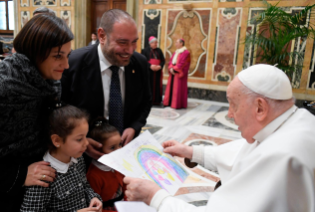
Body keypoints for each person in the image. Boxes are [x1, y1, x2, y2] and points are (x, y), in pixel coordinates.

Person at [124, 64, 315, 211]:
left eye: (233, 105)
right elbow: (244, 153)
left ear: (260, 108)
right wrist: (191, 151)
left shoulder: (281, 156)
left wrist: (155, 197)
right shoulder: (295, 121)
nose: (230, 114)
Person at [0, 14, 73, 211]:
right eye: (58, 56)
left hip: (39, 190)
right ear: (35, 52)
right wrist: (19, 175)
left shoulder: (48, 83)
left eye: (67, 55)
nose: (66, 65)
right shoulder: (2, 90)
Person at [61, 9, 152, 162]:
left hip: (125, 150)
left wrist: (134, 126)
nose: (130, 50)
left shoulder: (140, 63)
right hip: (83, 157)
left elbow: (145, 101)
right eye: (122, 42)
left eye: (134, 42)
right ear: (102, 36)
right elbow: (60, 111)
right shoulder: (73, 63)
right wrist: (81, 141)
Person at [21, 105, 102, 212]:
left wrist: (93, 197)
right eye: (79, 139)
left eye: (86, 136)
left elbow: (84, 185)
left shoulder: (78, 158)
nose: (86, 143)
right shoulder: (43, 176)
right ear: (57, 141)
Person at [86, 117, 126, 211]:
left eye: (120, 144)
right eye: (112, 148)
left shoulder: (118, 164)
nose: (119, 150)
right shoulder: (94, 176)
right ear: (97, 149)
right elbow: (96, 206)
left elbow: (125, 187)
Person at [163, 38, 190, 109]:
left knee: (177, 89)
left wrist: (174, 69)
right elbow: (171, 60)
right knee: (171, 88)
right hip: (173, 72)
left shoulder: (186, 52)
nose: (176, 44)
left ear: (181, 43)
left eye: (177, 42)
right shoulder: (176, 52)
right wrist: (171, 67)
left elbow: (183, 63)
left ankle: (176, 104)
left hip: (178, 73)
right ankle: (169, 102)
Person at [141, 36, 165, 105]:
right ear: (150, 43)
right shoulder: (145, 51)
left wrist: (160, 66)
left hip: (157, 72)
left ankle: (157, 101)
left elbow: (163, 60)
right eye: (154, 43)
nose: (156, 44)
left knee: (157, 86)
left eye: (156, 43)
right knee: (149, 85)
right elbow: (143, 61)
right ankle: (149, 100)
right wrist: (150, 66)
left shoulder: (159, 50)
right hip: (149, 72)